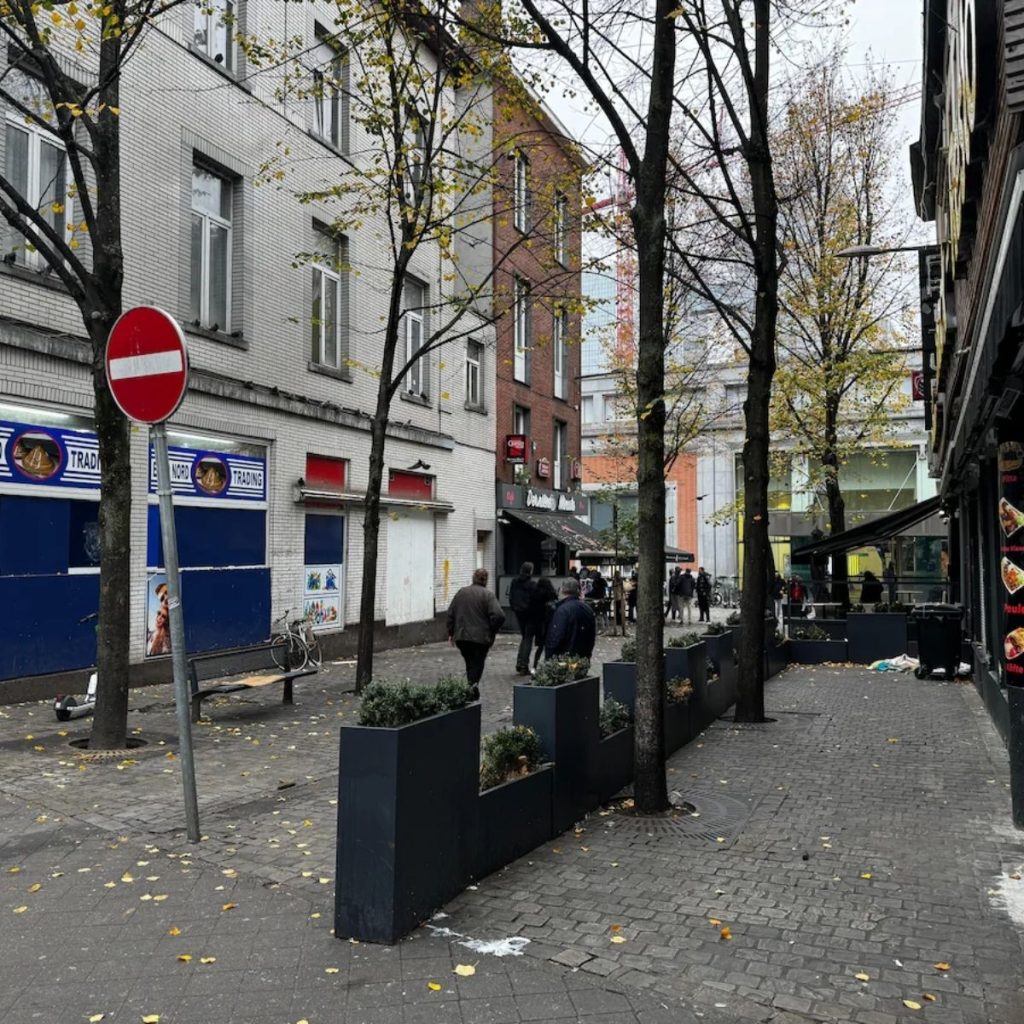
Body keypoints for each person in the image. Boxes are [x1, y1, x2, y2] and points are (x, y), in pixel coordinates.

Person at [447, 568, 505, 684]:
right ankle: (471, 689)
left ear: (473, 578)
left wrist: (451, 632)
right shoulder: (488, 595)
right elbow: (499, 615)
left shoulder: (461, 592)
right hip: (480, 638)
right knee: (477, 665)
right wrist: (492, 630)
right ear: (486, 580)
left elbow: (451, 613)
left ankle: (471, 687)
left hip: (462, 637)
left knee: (470, 663)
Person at [545, 578, 596, 660]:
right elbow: (591, 636)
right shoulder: (588, 609)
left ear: (562, 590)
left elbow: (556, 636)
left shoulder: (562, 610)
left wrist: (549, 656)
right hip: (582, 656)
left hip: (563, 658)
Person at [507, 561, 538, 675]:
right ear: (530, 571)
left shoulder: (514, 581)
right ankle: (524, 665)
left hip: (519, 613)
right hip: (530, 615)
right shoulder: (532, 584)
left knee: (524, 637)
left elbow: (511, 597)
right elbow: (535, 600)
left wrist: (514, 608)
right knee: (528, 639)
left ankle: (520, 662)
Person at [531, 575, 558, 668]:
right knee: (550, 646)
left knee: (540, 647)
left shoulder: (535, 594)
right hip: (549, 623)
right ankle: (549, 665)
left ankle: (535, 666)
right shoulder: (551, 594)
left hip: (539, 623)